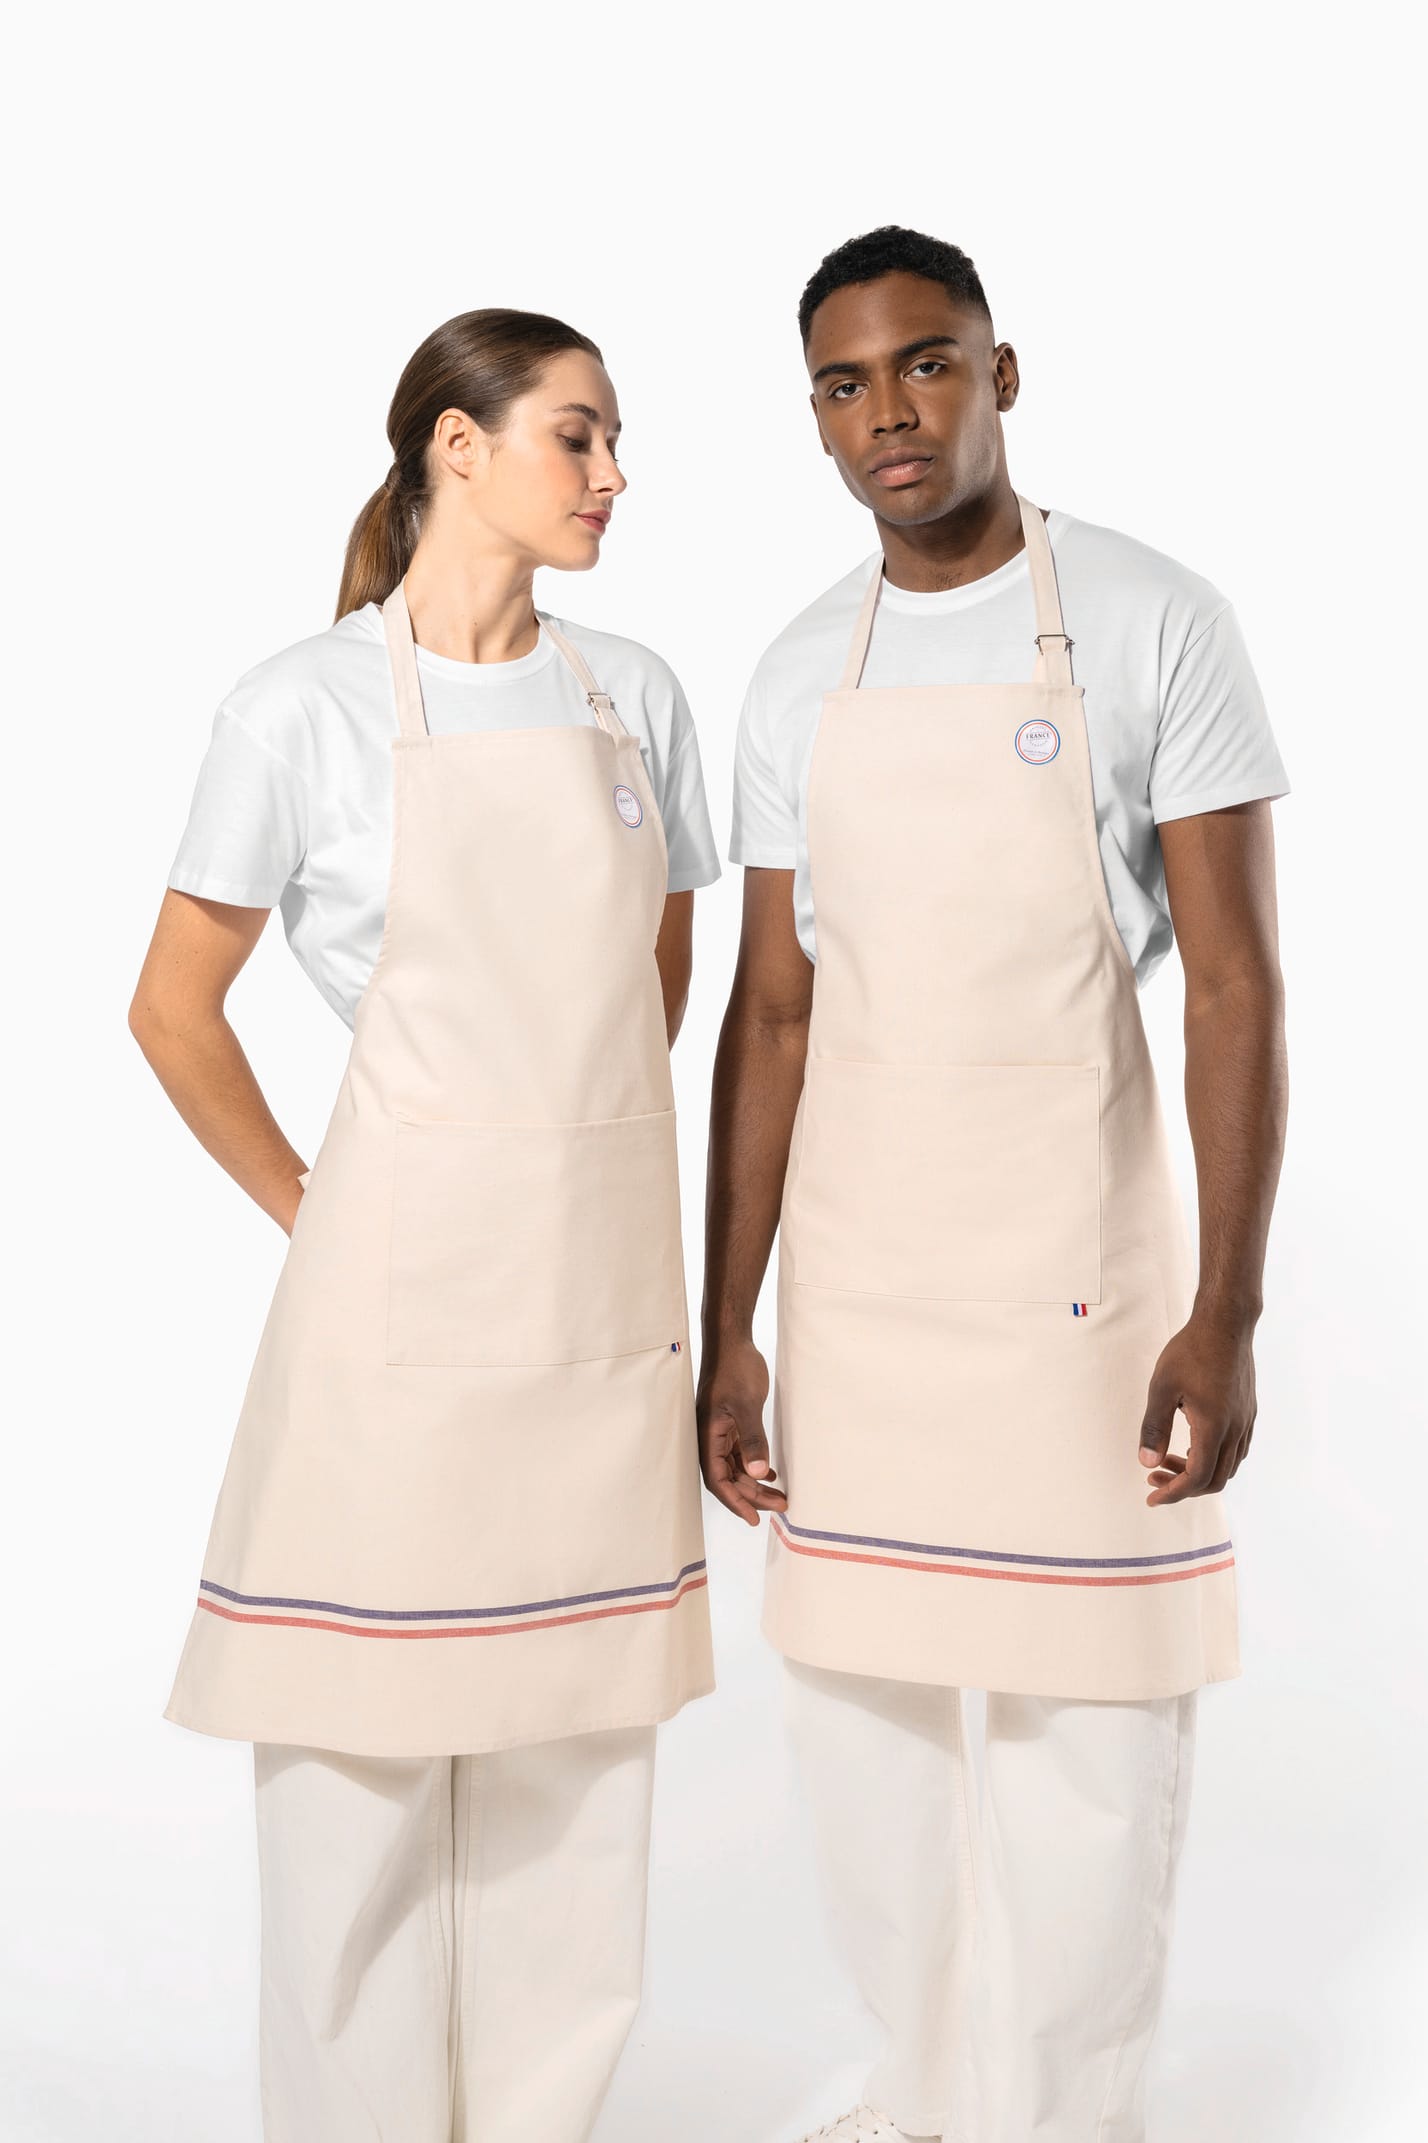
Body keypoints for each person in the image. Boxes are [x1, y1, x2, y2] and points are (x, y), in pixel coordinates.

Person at [698, 227, 1289, 2143]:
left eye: (928, 362)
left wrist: (1227, 1308)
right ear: (814, 418)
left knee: (1088, 1734)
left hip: (1079, 1280)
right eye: (846, 383)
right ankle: (924, 2098)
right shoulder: (799, 671)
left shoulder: (1152, 620)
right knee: (866, 1728)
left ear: (1002, 373)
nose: (891, 411)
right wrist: (727, 1327)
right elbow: (772, 1013)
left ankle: (1064, 2119)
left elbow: (1235, 986)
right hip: (863, 1285)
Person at [130, 307, 718, 2143]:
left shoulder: (635, 698)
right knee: (358, 1781)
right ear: (457, 448)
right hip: (391, 1320)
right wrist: (318, 1204)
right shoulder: (297, 709)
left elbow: (658, 979)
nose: (615, 474)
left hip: (596, 1308)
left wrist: (556, 1162)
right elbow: (171, 1009)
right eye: (578, 436)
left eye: (612, 440)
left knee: (573, 1776)